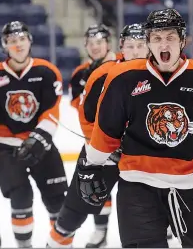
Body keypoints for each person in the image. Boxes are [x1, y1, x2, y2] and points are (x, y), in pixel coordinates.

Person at [77, 9, 193, 248]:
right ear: (148, 42)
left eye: (170, 37)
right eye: (156, 38)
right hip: (137, 187)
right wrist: (91, 165)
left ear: (182, 40)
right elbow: (106, 131)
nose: (163, 44)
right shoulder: (123, 78)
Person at [47, 23, 149, 248]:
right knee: (75, 208)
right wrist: (105, 147)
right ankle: (57, 242)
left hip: (144, 161)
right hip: (101, 154)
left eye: (141, 45)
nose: (135, 51)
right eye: (130, 46)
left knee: (147, 217)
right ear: (122, 47)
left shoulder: (161, 73)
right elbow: (86, 116)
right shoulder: (102, 73)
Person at [0, 21, 68, 248]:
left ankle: (61, 245)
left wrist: (40, 137)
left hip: (42, 145)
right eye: (12, 41)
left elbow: (51, 110)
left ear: (30, 41)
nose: (18, 44)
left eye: (22, 39)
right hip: (7, 149)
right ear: (5, 46)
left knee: (57, 201)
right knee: (21, 200)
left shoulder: (46, 72)